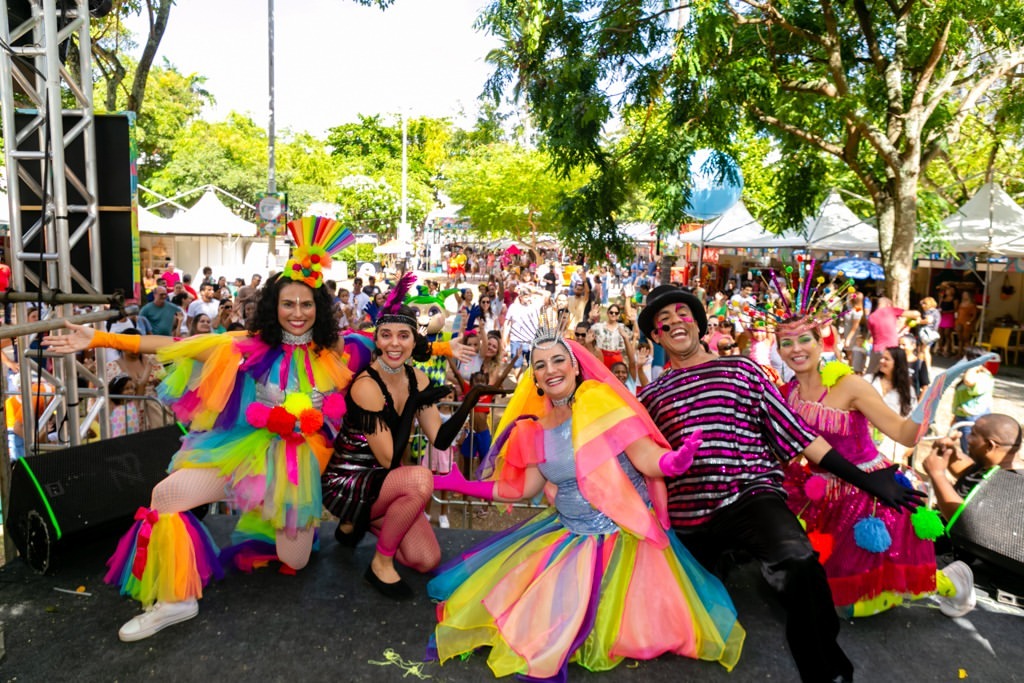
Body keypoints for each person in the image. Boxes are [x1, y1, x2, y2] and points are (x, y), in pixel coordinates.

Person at [43, 217, 359, 642]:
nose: (297, 313)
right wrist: (100, 340)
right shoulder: (244, 344)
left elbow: (386, 345)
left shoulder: (331, 352)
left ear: (319, 308)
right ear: (274, 307)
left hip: (293, 471)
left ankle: (271, 525)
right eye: (289, 304)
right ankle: (176, 601)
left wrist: (443, 346)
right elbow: (175, 346)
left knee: (296, 561)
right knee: (166, 495)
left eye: (306, 304)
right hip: (237, 451)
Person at [635, 284, 923, 683]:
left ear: (699, 325)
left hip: (750, 497)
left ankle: (828, 673)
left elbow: (799, 437)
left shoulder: (743, 370)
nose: (672, 323)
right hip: (688, 515)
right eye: (661, 322)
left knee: (799, 563)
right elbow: (635, 458)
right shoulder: (649, 395)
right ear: (656, 337)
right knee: (676, 607)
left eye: (681, 315)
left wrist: (870, 481)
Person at [429, 329, 745, 680]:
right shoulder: (534, 429)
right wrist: (463, 485)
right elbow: (522, 489)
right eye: (540, 364)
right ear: (533, 377)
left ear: (577, 366)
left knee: (625, 632)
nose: (551, 369)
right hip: (571, 535)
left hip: (625, 537)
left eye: (559, 360)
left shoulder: (601, 400)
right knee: (524, 621)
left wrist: (672, 461)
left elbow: (644, 457)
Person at [774, 322, 971, 618]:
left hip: (870, 493)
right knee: (808, 591)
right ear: (778, 350)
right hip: (818, 493)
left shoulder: (849, 385)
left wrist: (931, 399)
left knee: (846, 604)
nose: (796, 349)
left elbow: (905, 435)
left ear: (821, 341)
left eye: (804, 339)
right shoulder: (787, 392)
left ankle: (953, 583)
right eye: (786, 343)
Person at [320, 300, 497, 600]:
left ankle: (365, 524)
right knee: (420, 479)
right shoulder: (366, 385)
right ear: (376, 339)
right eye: (386, 334)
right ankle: (380, 562)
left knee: (426, 559)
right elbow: (389, 459)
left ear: (415, 341)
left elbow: (439, 439)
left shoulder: (418, 379)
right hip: (347, 484)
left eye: (403, 335)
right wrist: (413, 404)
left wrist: (470, 401)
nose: (394, 343)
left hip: (386, 486)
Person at [868, 346, 918, 465]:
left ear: (897, 363)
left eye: (886, 359)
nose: (881, 361)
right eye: (882, 358)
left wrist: (912, 444)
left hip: (891, 445)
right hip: (866, 438)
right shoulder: (868, 381)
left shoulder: (907, 391)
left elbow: (912, 418)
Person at [951, 346, 995, 453]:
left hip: (973, 418)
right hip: (963, 417)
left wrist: (973, 366)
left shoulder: (983, 376)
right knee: (965, 448)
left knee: (971, 451)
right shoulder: (972, 373)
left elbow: (969, 381)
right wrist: (954, 419)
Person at [955, 289, 979, 355]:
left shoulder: (972, 305)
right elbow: (958, 312)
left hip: (967, 322)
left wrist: (970, 321)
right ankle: (959, 353)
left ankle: (967, 354)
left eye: (965, 295)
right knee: (959, 339)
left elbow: (974, 315)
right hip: (959, 321)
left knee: (966, 339)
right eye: (963, 295)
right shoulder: (961, 304)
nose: (964, 296)